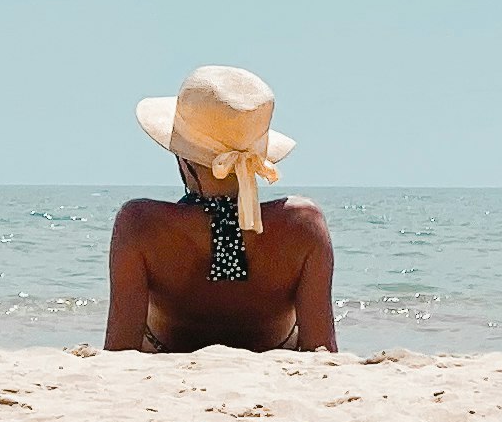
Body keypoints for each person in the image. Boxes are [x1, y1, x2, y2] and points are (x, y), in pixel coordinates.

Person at [105, 66, 336, 352]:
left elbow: (119, 351)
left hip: (166, 348)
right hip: (275, 349)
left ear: (182, 156)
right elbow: (322, 351)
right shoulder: (304, 223)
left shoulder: (138, 223)